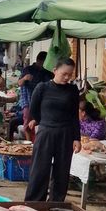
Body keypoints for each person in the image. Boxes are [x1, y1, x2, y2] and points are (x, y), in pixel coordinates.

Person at [25, 57, 81, 202]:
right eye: (64, 74)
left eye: (70, 74)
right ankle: (34, 203)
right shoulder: (42, 88)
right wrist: (37, 120)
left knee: (62, 171)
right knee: (39, 169)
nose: (67, 77)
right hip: (46, 132)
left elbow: (74, 115)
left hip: (66, 134)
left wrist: (77, 138)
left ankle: (56, 204)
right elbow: (34, 109)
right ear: (55, 71)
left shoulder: (72, 90)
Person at [18, 51, 51, 139]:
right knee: (27, 124)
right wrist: (25, 78)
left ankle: (38, 141)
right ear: (39, 60)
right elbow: (19, 83)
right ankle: (29, 143)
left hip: (42, 102)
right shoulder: (27, 70)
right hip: (28, 101)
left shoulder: (47, 73)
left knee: (40, 123)